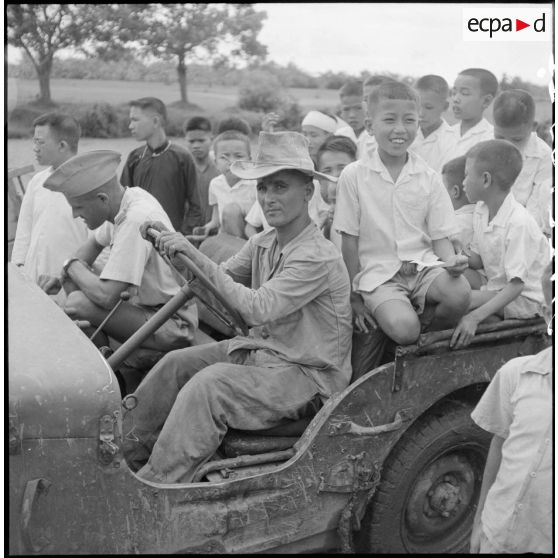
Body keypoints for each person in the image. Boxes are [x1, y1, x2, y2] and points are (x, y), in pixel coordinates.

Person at [122, 131, 353, 484]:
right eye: (263, 188)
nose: (269, 198)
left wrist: (194, 253)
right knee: (174, 364)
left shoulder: (316, 257)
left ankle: (158, 483)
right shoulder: (263, 241)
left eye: (280, 187)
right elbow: (213, 282)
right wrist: (177, 255)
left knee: (211, 385)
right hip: (264, 353)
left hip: (308, 375)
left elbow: (256, 309)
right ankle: (123, 457)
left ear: (308, 192)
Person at [333, 80, 471, 346]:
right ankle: (411, 325)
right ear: (370, 126)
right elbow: (348, 241)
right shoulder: (354, 176)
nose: (400, 129)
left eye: (409, 120)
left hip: (422, 268)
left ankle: (428, 334)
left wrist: (452, 262)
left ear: (417, 124)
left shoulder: (428, 177)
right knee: (405, 330)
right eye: (389, 120)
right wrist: (352, 297)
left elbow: (441, 236)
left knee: (460, 293)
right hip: (378, 274)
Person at [39, 150, 198, 369]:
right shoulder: (126, 199)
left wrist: (71, 266)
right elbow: (92, 246)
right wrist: (65, 274)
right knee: (75, 281)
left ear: (102, 199)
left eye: (78, 207)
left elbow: (107, 297)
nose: (75, 215)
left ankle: (110, 373)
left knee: (77, 303)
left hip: (172, 322)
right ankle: (105, 359)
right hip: (151, 311)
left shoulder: (135, 219)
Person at [469, 259, 553, 554]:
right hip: (498, 535)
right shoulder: (514, 375)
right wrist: (479, 524)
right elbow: (499, 446)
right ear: (548, 316)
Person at [450, 140, 549, 349]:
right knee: (450, 288)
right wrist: (452, 249)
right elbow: (477, 261)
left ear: (486, 180)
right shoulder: (481, 209)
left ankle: (485, 322)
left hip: (526, 299)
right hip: (497, 288)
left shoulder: (518, 223)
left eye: (467, 175)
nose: (464, 182)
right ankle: (489, 317)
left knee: (461, 303)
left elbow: (516, 286)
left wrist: (474, 318)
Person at [11, 113, 91, 285]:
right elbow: (24, 232)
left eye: (40, 142)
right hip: (32, 282)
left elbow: (100, 242)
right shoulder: (37, 182)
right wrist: (18, 269)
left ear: (62, 145)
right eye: (34, 141)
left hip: (70, 286)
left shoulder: (90, 183)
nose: (35, 148)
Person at [121, 97, 201, 234]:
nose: (130, 126)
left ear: (155, 121)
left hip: (171, 241)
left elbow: (196, 206)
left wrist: (182, 235)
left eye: (135, 120)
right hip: (138, 237)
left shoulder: (182, 157)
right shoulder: (134, 158)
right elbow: (123, 203)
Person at [492, 89, 553, 234]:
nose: (507, 145)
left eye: (517, 139)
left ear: (533, 126)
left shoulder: (544, 157)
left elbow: (537, 208)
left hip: (522, 230)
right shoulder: (484, 146)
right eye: (500, 137)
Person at [196, 130, 256, 239]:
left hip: (251, 239)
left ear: (249, 160)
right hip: (226, 237)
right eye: (224, 157)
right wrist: (209, 226)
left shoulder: (255, 185)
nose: (231, 161)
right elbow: (216, 216)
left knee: (231, 210)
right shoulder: (215, 184)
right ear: (215, 162)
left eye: (238, 156)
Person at [443, 68, 498, 163]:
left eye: (465, 93)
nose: (456, 99)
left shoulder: (491, 139)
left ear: (486, 101)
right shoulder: (446, 133)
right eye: (454, 93)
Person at [315, 135, 358, 250]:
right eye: (327, 171)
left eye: (343, 169)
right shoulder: (322, 226)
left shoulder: (372, 218)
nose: (335, 177)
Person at [409, 74, 457, 172]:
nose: (421, 114)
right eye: (416, 106)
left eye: (429, 107)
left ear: (445, 106)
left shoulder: (451, 142)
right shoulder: (406, 133)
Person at [184, 116, 220, 225]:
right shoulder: (182, 169)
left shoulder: (220, 168)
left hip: (215, 229)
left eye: (201, 141)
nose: (196, 146)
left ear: (211, 139)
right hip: (188, 230)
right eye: (191, 141)